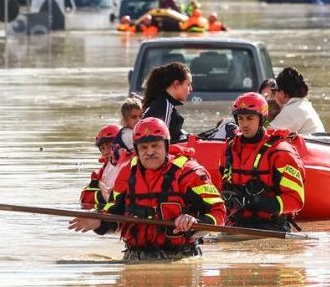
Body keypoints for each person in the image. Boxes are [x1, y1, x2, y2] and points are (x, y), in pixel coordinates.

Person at [69, 117, 226, 260]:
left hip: (180, 257)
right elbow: (115, 215)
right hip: (134, 257)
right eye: (144, 147)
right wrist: (98, 222)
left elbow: (219, 214)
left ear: (166, 145)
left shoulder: (190, 173)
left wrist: (195, 222)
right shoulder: (126, 173)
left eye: (155, 146)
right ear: (136, 150)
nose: (150, 152)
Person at [220, 92, 305, 232]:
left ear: (261, 119)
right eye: (240, 119)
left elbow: (296, 200)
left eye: (250, 118)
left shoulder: (281, 153)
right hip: (236, 223)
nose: (244, 124)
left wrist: (258, 202)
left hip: (271, 226)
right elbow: (222, 187)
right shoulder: (229, 149)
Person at [140, 62, 191, 142]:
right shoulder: (164, 106)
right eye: (188, 84)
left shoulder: (160, 102)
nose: (190, 89)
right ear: (176, 84)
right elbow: (161, 141)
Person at [80, 124, 125, 209]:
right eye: (103, 148)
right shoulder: (98, 174)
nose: (106, 152)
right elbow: (84, 197)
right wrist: (103, 195)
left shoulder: (132, 168)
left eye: (110, 147)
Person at [271, 67, 325, 135]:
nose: (274, 95)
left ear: (282, 93)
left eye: (274, 91)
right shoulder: (303, 105)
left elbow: (269, 135)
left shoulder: (292, 110)